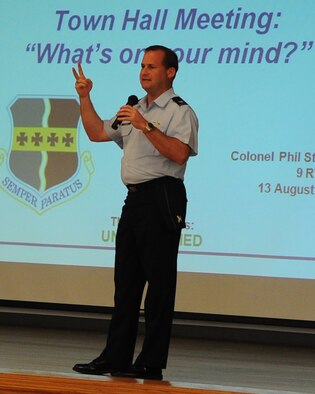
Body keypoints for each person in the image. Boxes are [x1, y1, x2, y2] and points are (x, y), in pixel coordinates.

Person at [72, 45, 198, 380]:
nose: (144, 72)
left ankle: (151, 361)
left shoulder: (178, 111)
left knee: (158, 287)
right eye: (142, 66)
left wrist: (147, 127)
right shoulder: (133, 108)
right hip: (134, 201)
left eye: (152, 66)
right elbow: (98, 132)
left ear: (170, 72)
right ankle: (116, 357)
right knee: (125, 285)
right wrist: (85, 97)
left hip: (163, 197)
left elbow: (179, 154)